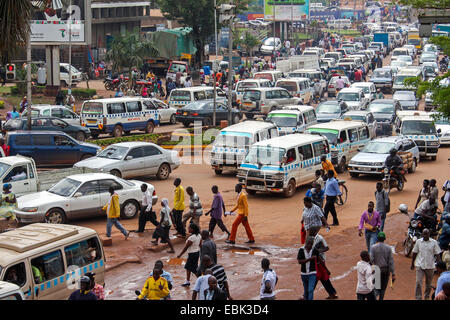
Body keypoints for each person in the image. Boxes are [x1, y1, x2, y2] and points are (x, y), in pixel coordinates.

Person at [411, 228, 442, 300]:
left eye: (426, 234)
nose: (425, 235)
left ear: (429, 234)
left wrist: (439, 265)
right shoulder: (418, 242)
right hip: (420, 265)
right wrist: (412, 263)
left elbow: (437, 254)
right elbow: (415, 252)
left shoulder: (434, 242)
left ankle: (426, 296)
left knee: (428, 284)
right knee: (418, 282)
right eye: (423, 234)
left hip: (430, 266)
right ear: (422, 234)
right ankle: (418, 298)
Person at [310, 228, 338, 299]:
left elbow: (327, 248)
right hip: (314, 261)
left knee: (315, 277)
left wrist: (318, 251)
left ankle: (307, 294)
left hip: (320, 261)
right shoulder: (309, 237)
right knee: (323, 278)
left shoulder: (320, 238)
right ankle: (332, 293)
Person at [370, 232, 395, 300]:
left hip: (377, 270)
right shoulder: (388, 248)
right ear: (384, 239)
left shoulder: (373, 247)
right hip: (386, 271)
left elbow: (371, 259)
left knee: (376, 288)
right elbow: (391, 261)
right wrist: (393, 273)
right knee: (383, 289)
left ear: (377, 238)